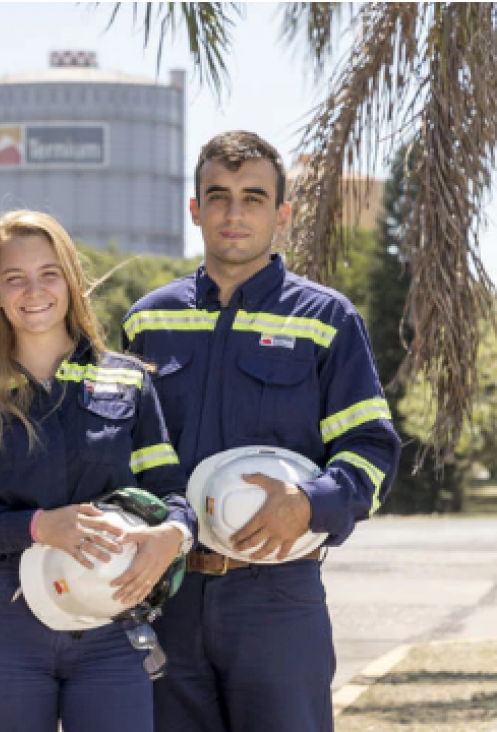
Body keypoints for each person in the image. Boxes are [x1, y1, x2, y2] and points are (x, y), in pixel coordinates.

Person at [123, 131, 402, 732]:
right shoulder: (148, 320)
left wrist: (311, 503)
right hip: (167, 593)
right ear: (194, 208)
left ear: (282, 214)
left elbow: (373, 450)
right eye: (217, 196)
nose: (233, 213)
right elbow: (116, 455)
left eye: (253, 198)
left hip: (277, 597)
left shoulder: (326, 320)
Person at [0, 210, 197, 732]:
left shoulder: (129, 383)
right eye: (15, 278)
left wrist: (175, 535)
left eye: (49, 273)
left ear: (71, 279)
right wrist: (35, 527)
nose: (34, 291)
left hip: (112, 626)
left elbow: (171, 496)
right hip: (2, 627)